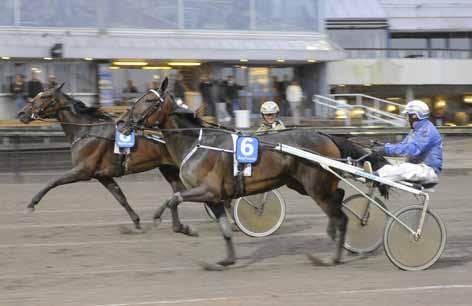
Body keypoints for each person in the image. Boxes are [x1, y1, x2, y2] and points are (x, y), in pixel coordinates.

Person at [375, 100, 443, 184]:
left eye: (408, 116)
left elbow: (412, 150)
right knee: (388, 165)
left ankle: (375, 176)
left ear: (415, 116)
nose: (407, 119)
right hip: (418, 166)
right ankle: (376, 174)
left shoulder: (426, 130)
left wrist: (386, 149)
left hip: (428, 170)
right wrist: (384, 145)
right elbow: (403, 146)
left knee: (405, 167)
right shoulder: (416, 130)